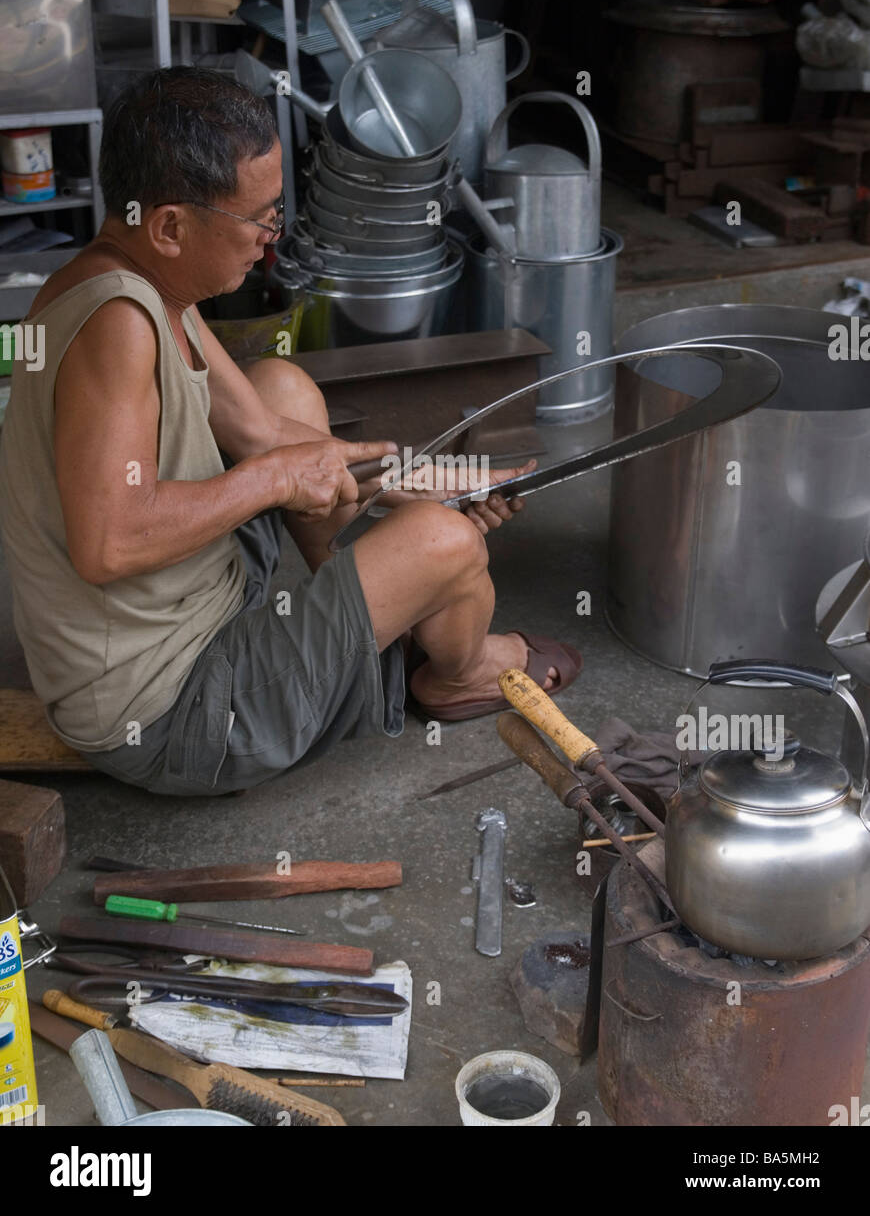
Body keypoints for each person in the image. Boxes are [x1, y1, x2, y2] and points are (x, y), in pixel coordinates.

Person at [0, 67, 581, 796]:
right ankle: (457, 674)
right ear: (171, 227)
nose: (271, 240)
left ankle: (369, 615)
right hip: (170, 712)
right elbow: (109, 542)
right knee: (447, 545)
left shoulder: (137, 278)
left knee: (285, 388)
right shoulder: (115, 327)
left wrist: (427, 478)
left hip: (201, 603)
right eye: (260, 219)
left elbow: (261, 433)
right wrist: (280, 482)